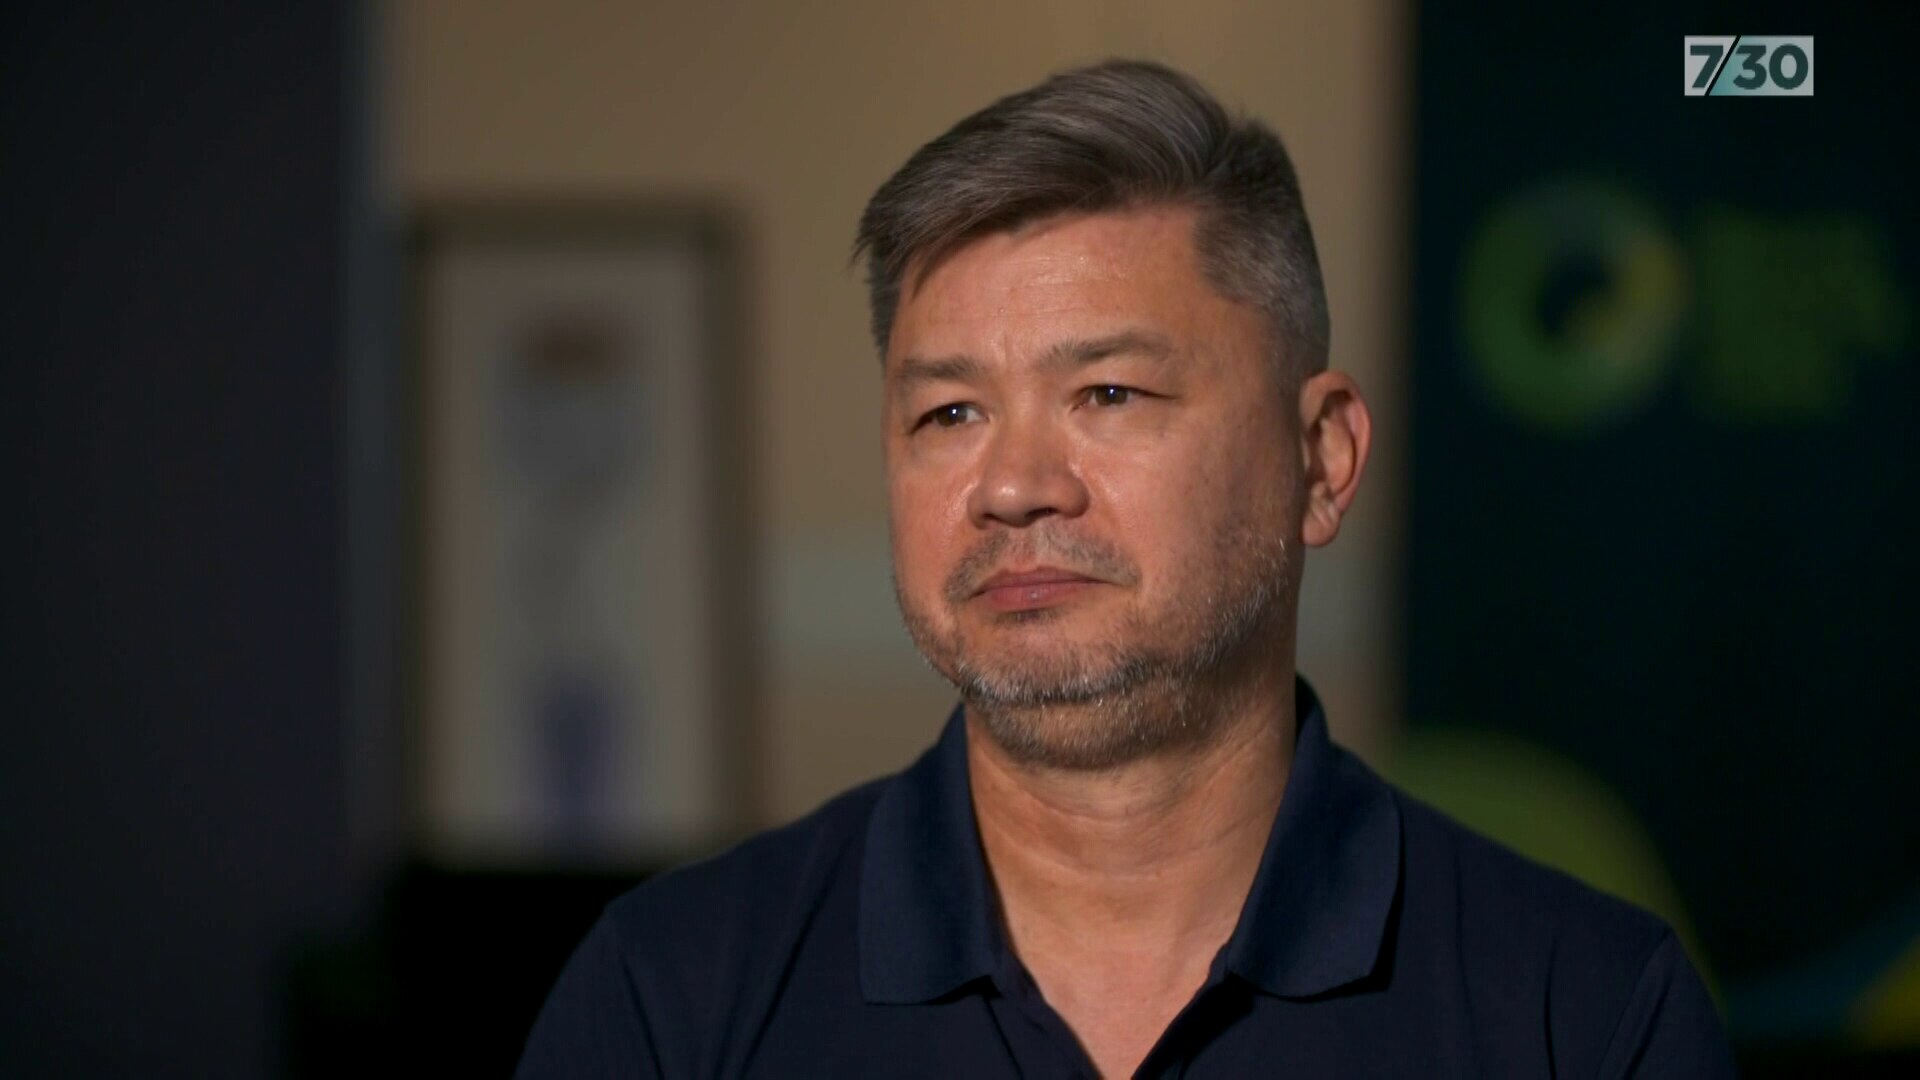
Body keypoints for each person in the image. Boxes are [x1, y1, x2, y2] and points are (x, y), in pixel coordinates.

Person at [515, 59, 1734, 1078]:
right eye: (948, 413)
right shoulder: (671, 999)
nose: (1012, 484)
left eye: (1107, 392)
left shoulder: (1583, 1016)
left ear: (1321, 459)